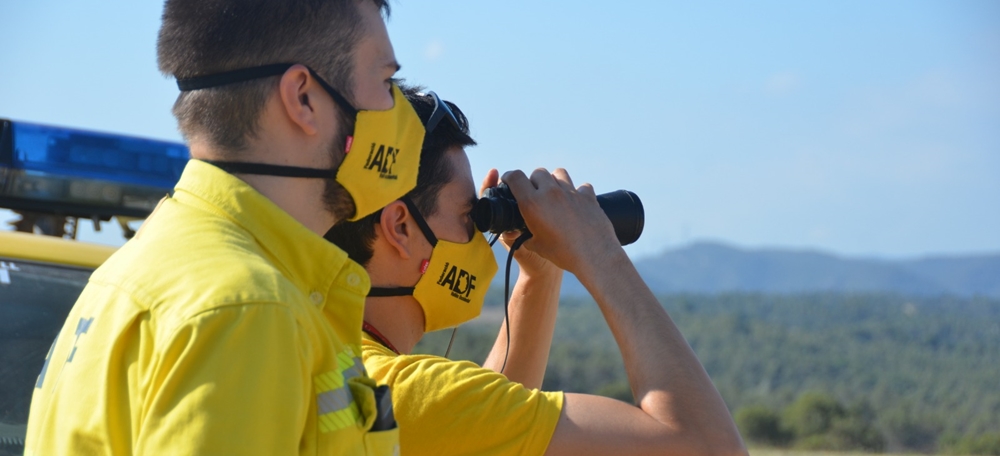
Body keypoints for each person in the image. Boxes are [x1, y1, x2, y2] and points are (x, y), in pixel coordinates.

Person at [24, 1, 428, 454]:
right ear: (303, 98)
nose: (398, 111)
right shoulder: (248, 309)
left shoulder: (144, 265)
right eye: (384, 82)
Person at [325, 90, 748, 455]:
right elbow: (710, 447)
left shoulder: (333, 355)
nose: (477, 239)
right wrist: (596, 249)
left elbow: (478, 426)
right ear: (401, 228)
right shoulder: (406, 394)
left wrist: (540, 273)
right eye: (468, 217)